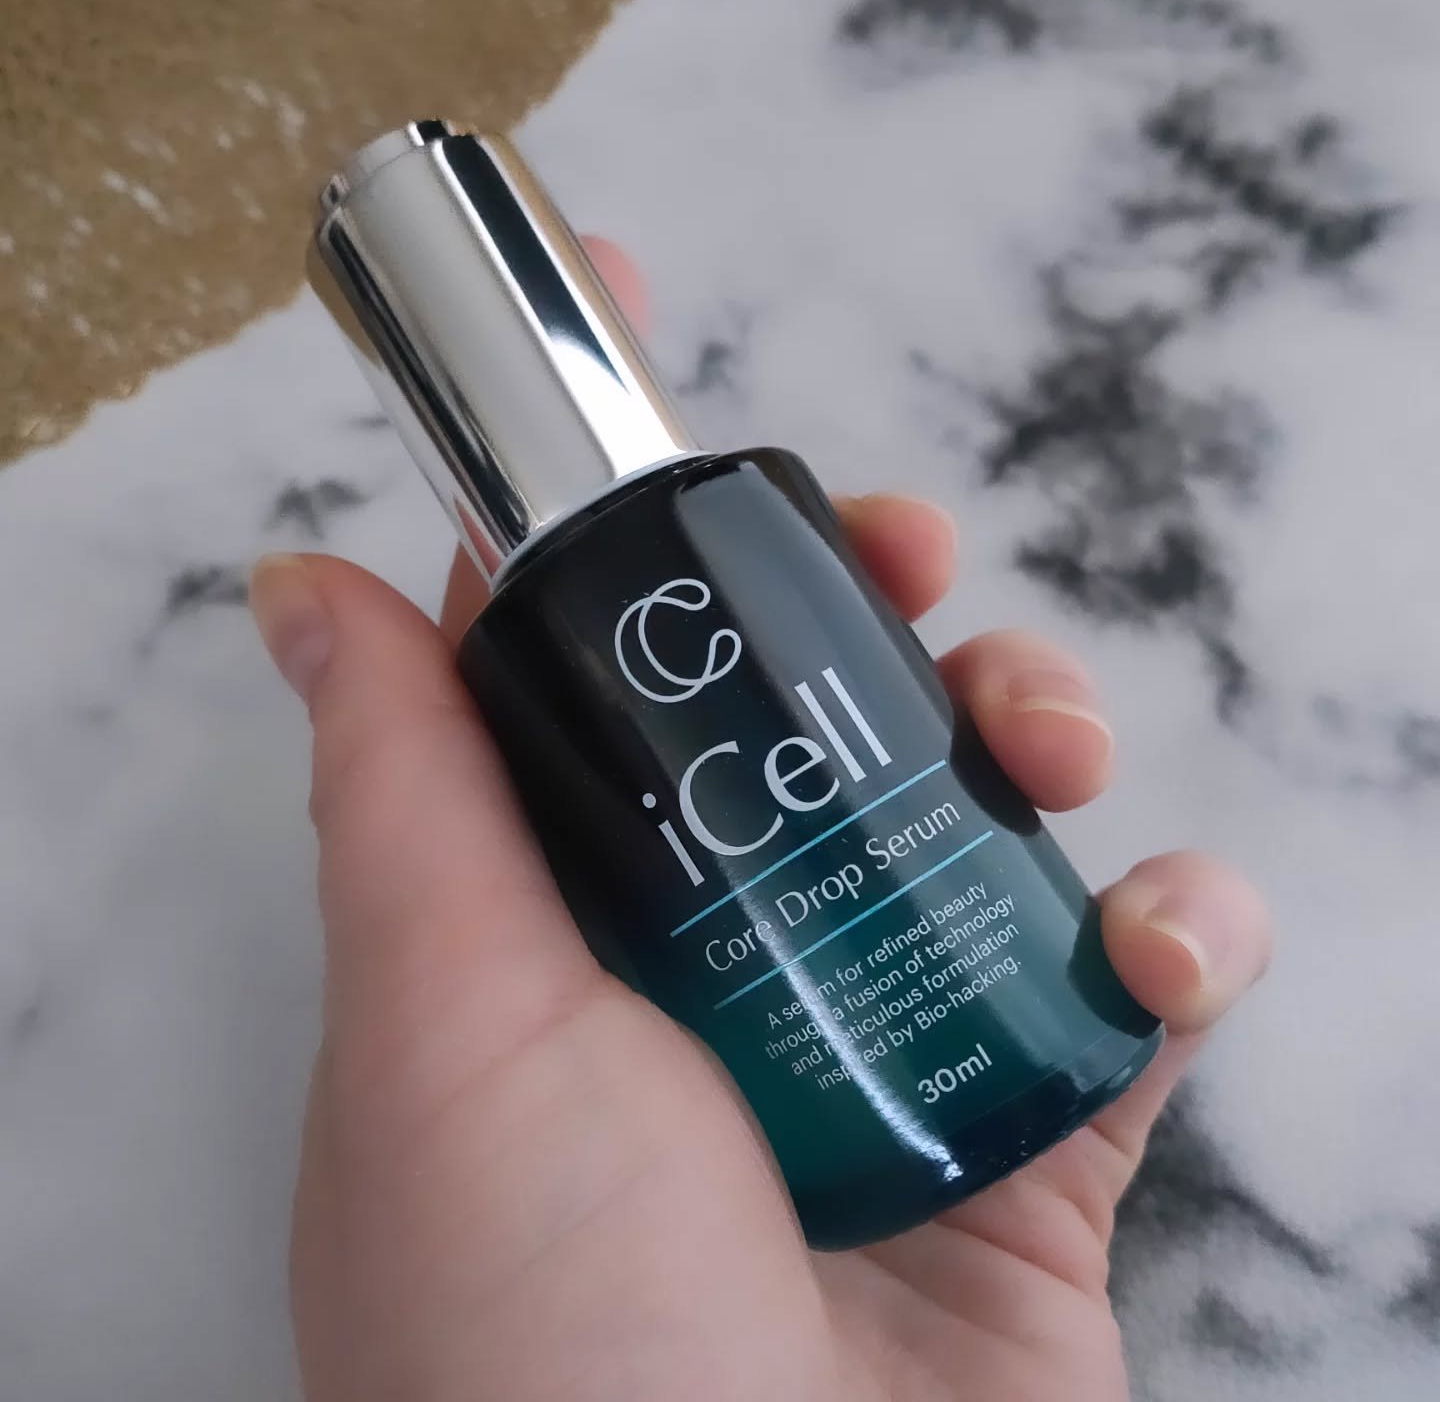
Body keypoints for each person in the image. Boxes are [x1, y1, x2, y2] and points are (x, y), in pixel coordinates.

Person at [248, 240, 1271, 1401]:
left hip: (1006, 1120)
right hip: (787, 1223)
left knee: (852, 734)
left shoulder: (734, 499)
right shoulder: (519, 645)